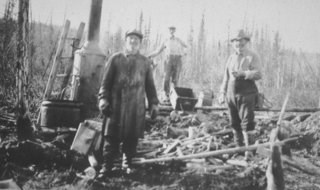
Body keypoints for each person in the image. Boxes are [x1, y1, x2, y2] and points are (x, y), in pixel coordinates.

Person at [98, 29, 159, 176]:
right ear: (126, 41)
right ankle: (107, 166)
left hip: (135, 107)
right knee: (111, 138)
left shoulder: (145, 63)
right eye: (130, 39)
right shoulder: (115, 59)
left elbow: (150, 86)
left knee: (131, 138)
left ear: (140, 44)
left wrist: (154, 104)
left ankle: (128, 164)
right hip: (115, 106)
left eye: (136, 40)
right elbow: (105, 83)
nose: (133, 42)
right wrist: (103, 99)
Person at [218, 29, 262, 159]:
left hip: (246, 93)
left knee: (247, 122)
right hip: (231, 94)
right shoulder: (231, 58)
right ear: (233, 44)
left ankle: (249, 152)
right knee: (234, 122)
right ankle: (239, 149)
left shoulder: (252, 56)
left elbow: (259, 74)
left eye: (242, 43)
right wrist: (222, 92)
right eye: (236, 44)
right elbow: (225, 77)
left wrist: (244, 73)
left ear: (246, 42)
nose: (239, 46)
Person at [148, 26, 187, 100]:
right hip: (169, 59)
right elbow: (157, 51)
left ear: (175, 31)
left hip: (178, 59)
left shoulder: (178, 40)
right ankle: (166, 94)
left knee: (175, 79)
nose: (172, 31)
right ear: (168, 31)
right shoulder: (165, 40)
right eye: (170, 30)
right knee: (166, 77)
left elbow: (186, 46)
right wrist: (149, 55)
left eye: (173, 29)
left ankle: (174, 96)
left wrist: (184, 52)